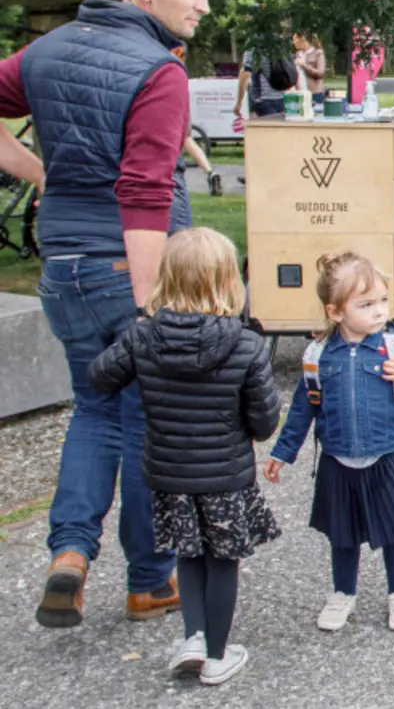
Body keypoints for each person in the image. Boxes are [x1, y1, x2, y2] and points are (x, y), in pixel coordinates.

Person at [0, 0, 210, 628]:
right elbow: (145, 189)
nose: (204, 5)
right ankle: (150, 580)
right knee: (147, 421)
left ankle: (70, 554)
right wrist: (153, 305)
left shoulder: (49, 49)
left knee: (93, 410)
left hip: (63, 268)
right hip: (130, 269)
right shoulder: (158, 70)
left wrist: (43, 174)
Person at [88, 228, 280, 685]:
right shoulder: (245, 345)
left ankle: (192, 637)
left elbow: (99, 378)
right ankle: (217, 655)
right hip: (226, 475)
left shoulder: (142, 337)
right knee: (222, 560)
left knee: (188, 555)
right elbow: (264, 421)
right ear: (228, 280)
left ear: (166, 278)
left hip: (169, 473)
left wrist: (133, 343)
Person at [264, 251, 394, 632]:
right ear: (336, 311)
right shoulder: (318, 355)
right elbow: (303, 409)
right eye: (366, 304)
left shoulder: (393, 347)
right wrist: (282, 452)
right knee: (342, 533)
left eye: (382, 301)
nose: (379, 311)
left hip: (389, 454)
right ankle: (342, 592)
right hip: (338, 459)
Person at [235, 43, 286, 118]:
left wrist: (239, 102)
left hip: (263, 99)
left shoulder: (253, 46)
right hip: (282, 97)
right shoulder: (279, 44)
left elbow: (245, 75)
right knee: (279, 128)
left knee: (264, 128)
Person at [294, 32, 328, 105]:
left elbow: (320, 73)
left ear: (302, 38)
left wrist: (304, 65)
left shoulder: (318, 53)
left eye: (295, 39)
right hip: (300, 93)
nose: (293, 42)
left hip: (315, 93)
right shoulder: (298, 54)